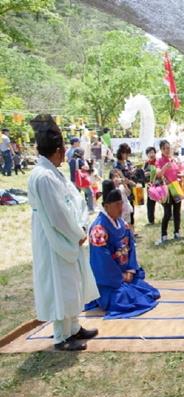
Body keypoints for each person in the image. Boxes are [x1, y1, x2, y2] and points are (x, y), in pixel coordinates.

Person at [27, 114, 99, 351]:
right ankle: (61, 335)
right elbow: (57, 214)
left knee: (72, 280)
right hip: (55, 235)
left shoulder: (52, 173)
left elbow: (72, 200)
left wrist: (80, 224)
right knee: (60, 283)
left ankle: (73, 326)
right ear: (57, 151)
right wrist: (76, 232)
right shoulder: (43, 176)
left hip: (68, 231)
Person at [87, 183, 160, 318]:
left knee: (149, 292)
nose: (121, 208)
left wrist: (130, 271)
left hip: (125, 273)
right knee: (125, 300)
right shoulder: (98, 229)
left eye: (121, 204)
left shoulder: (123, 224)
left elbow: (131, 248)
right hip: (109, 281)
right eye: (117, 205)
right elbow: (101, 261)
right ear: (106, 206)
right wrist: (120, 277)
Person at [156, 139, 183, 245]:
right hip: (166, 189)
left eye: (168, 148)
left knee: (177, 211)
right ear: (161, 149)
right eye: (165, 148)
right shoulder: (159, 160)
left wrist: (182, 176)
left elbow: (178, 172)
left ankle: (177, 232)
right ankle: (164, 234)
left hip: (176, 186)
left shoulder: (173, 159)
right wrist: (164, 168)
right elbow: (158, 174)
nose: (167, 150)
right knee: (167, 212)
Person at [143, 146, 158, 224]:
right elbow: (143, 174)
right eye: (149, 153)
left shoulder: (158, 162)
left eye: (152, 152)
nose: (151, 154)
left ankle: (169, 215)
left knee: (164, 201)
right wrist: (146, 174)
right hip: (150, 185)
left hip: (159, 184)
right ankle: (151, 220)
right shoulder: (146, 163)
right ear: (147, 155)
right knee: (150, 203)